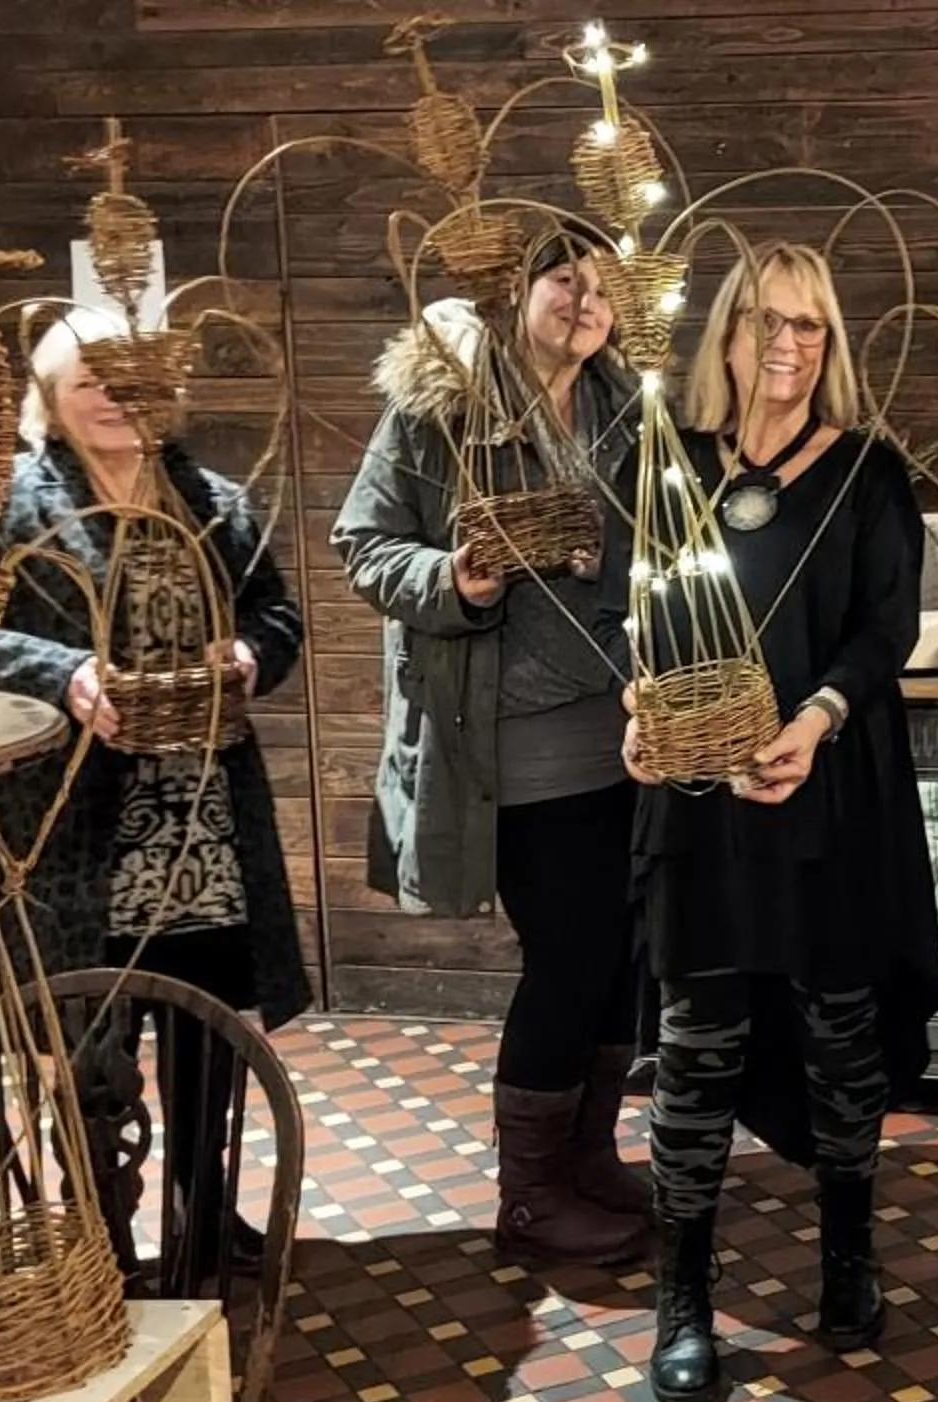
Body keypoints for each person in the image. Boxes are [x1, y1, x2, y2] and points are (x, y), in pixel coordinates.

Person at [633, 241, 938, 1402]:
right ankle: (682, 1294)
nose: (789, 344)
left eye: (810, 324)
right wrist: (638, 709)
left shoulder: (868, 470)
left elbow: (882, 628)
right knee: (697, 1041)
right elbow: (633, 611)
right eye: (767, 319)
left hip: (828, 787)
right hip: (700, 803)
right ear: (727, 333)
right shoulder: (671, 463)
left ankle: (848, 1254)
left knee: (840, 1034)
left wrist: (813, 721)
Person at [0, 306, 310, 1273]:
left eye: (129, 378)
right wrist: (61, 673)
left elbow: (277, 613)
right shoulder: (0, 504)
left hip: (203, 828)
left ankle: (204, 1214)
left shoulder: (212, 501)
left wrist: (249, 654)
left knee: (208, 1035)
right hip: (72, 829)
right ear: (50, 396)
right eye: (88, 380)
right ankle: (98, 1235)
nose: (112, 397)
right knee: (90, 1050)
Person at [334, 226, 656, 1272]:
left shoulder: (624, 406)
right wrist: (457, 580)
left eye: (602, 286)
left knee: (620, 959)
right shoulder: (442, 404)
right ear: (519, 289)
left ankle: (588, 1157)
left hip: (621, 734)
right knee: (569, 959)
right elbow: (364, 544)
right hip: (508, 743)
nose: (584, 300)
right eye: (565, 278)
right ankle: (531, 1195)